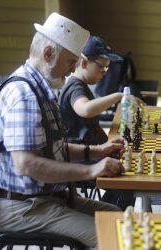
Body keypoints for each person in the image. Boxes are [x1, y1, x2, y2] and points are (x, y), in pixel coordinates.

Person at [0, 13, 125, 248]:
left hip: (44, 200)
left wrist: (97, 151)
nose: (73, 69)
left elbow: (54, 149)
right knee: (117, 236)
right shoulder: (24, 95)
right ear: (48, 53)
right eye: (71, 61)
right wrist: (91, 171)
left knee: (119, 219)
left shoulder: (42, 89)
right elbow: (27, 165)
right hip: (23, 208)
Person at [58, 35, 144, 210]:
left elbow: (91, 125)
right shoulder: (75, 87)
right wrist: (118, 96)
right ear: (83, 63)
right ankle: (110, 216)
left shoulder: (81, 87)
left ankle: (108, 209)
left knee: (128, 167)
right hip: (79, 159)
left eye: (107, 68)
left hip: (90, 153)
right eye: (101, 68)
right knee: (127, 181)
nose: (104, 73)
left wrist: (108, 143)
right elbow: (86, 109)